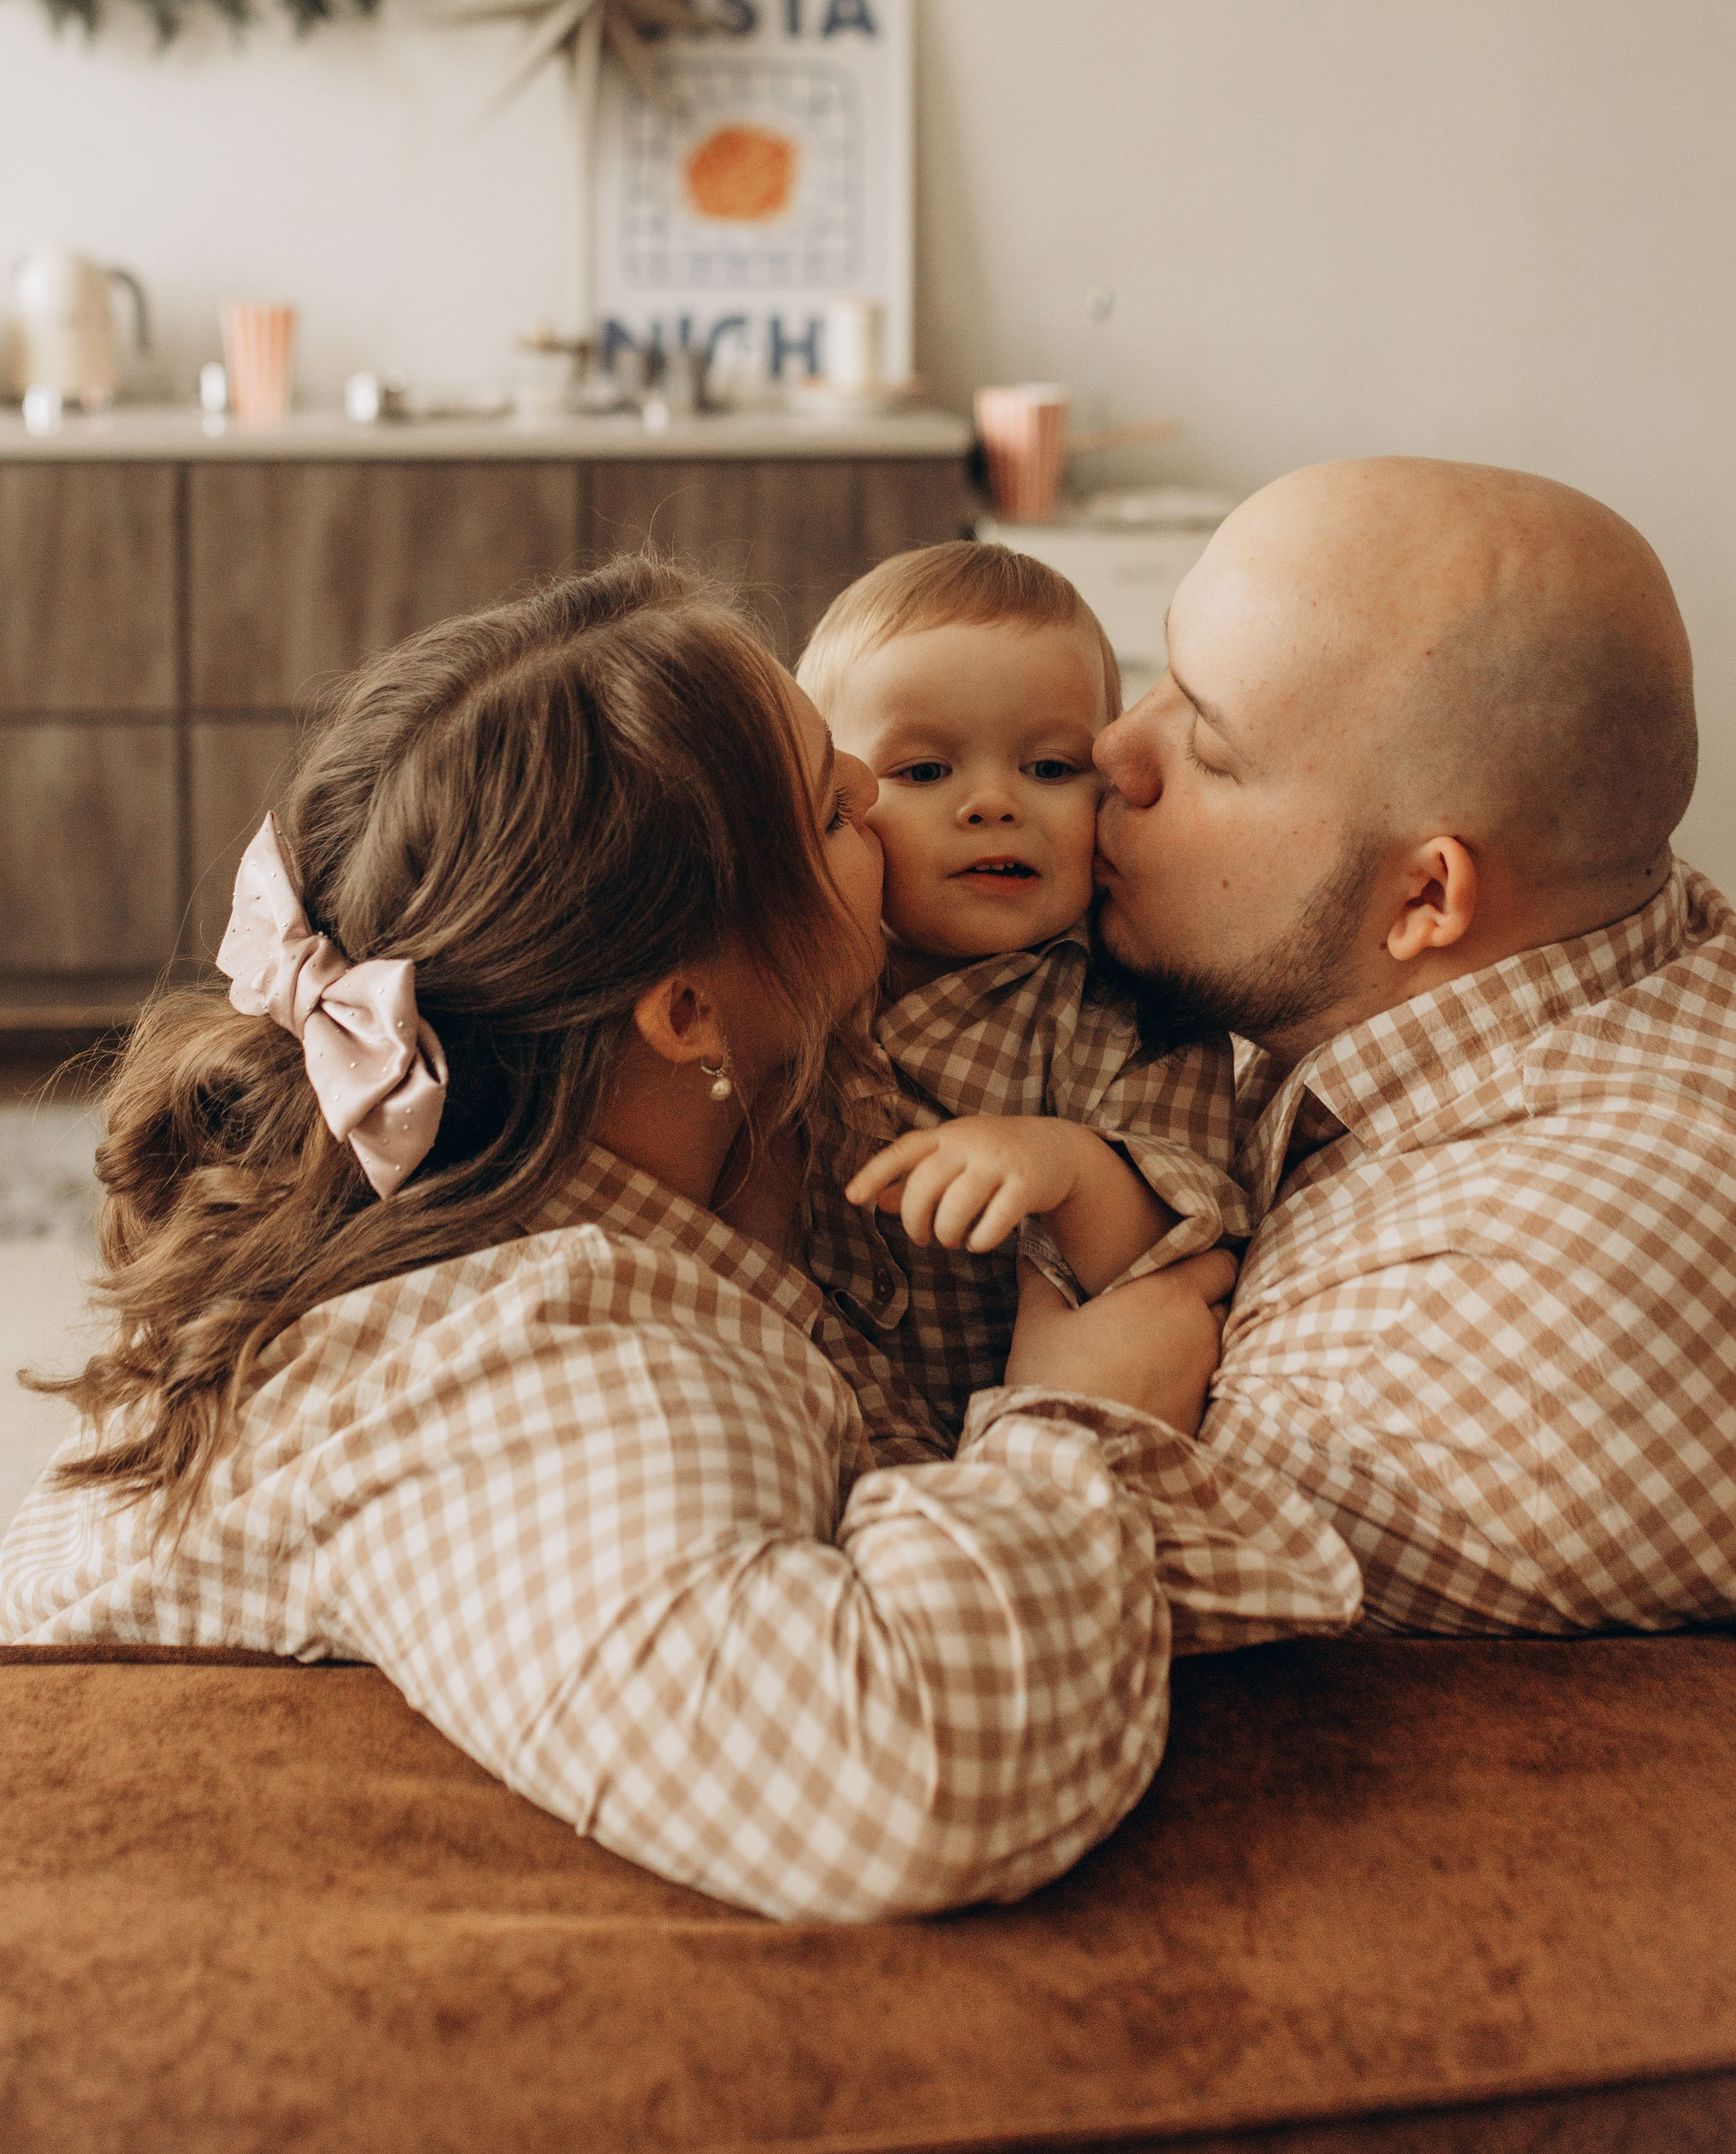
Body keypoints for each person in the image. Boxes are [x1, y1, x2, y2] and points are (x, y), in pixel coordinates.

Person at [0, 555, 1357, 1921]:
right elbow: (893, 1779)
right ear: (689, 1015)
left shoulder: (601, 1161)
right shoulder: (544, 1354)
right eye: (831, 810)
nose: (878, 794)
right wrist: (1080, 1420)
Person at [1082, 456, 1736, 1633]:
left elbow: (1025, 1635)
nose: (1112, 749)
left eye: (1208, 747)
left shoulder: (1414, 1361)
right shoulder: (1653, 928)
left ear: (1427, 898)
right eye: (1161, 670)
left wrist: (1070, 1412)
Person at [796, 542, 1253, 1444]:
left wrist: (1068, 1167)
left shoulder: (1127, 1011)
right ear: (834, 805)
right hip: (827, 1418)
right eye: (925, 771)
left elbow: (1184, 1265)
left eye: (1048, 768)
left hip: (1050, 1422)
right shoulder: (803, 982)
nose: (992, 805)